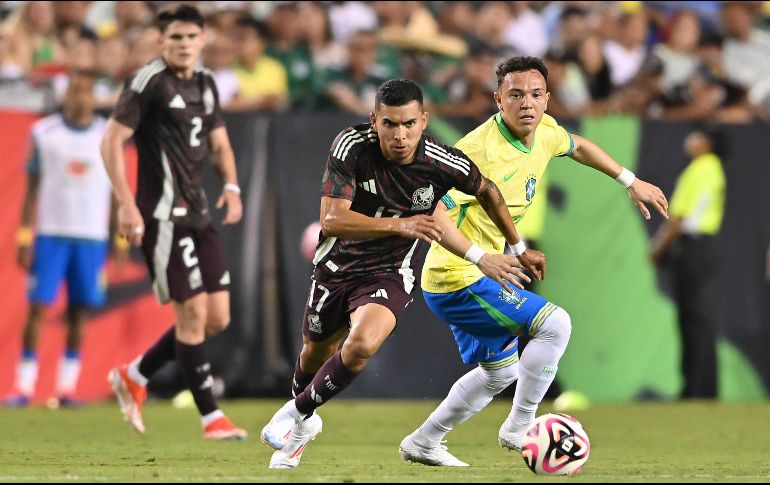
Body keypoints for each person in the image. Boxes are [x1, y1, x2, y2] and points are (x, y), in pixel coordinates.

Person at [399, 56, 669, 466]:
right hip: (456, 276)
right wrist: (481, 256)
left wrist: (630, 181)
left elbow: (578, 146)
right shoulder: (475, 152)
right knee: (555, 324)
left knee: (501, 374)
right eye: (516, 95)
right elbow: (433, 213)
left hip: (481, 270)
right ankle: (520, 426)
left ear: (547, 99)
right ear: (498, 100)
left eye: (536, 95)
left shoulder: (544, 131)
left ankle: (424, 441)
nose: (527, 103)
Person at [260, 78, 537, 469]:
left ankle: (294, 414)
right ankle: (302, 425)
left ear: (424, 121)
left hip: (390, 271)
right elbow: (332, 218)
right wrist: (402, 225)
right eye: (390, 124)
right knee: (314, 353)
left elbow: (487, 190)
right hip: (337, 266)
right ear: (374, 121)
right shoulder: (351, 146)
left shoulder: (442, 162)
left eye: (409, 124)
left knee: (362, 343)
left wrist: (515, 247)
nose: (400, 135)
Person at [100, 4, 246, 440]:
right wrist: (126, 204)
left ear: (204, 41)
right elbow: (110, 142)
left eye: (190, 37)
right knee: (192, 313)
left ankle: (135, 375)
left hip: (199, 212)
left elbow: (219, 143)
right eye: (175, 38)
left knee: (217, 317)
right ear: (161, 42)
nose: (183, 45)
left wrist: (233, 187)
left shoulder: (206, 83)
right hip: (161, 215)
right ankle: (210, 417)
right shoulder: (148, 82)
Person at [4, 70, 118, 408]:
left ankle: (66, 388)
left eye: (85, 91)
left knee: (80, 311)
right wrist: (25, 235)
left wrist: (120, 239)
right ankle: (23, 388)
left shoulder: (107, 135)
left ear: (94, 97)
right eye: (73, 91)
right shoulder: (43, 132)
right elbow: (31, 187)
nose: (79, 98)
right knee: (38, 308)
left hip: (91, 237)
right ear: (64, 96)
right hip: (51, 234)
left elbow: (115, 189)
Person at [650, 129, 725, 399]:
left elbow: (679, 218)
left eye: (698, 135)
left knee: (695, 319)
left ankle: (697, 389)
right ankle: (701, 388)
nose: (691, 138)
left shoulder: (702, 168)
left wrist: (658, 248)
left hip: (695, 248)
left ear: (707, 143)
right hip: (700, 248)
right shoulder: (710, 168)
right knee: (696, 318)